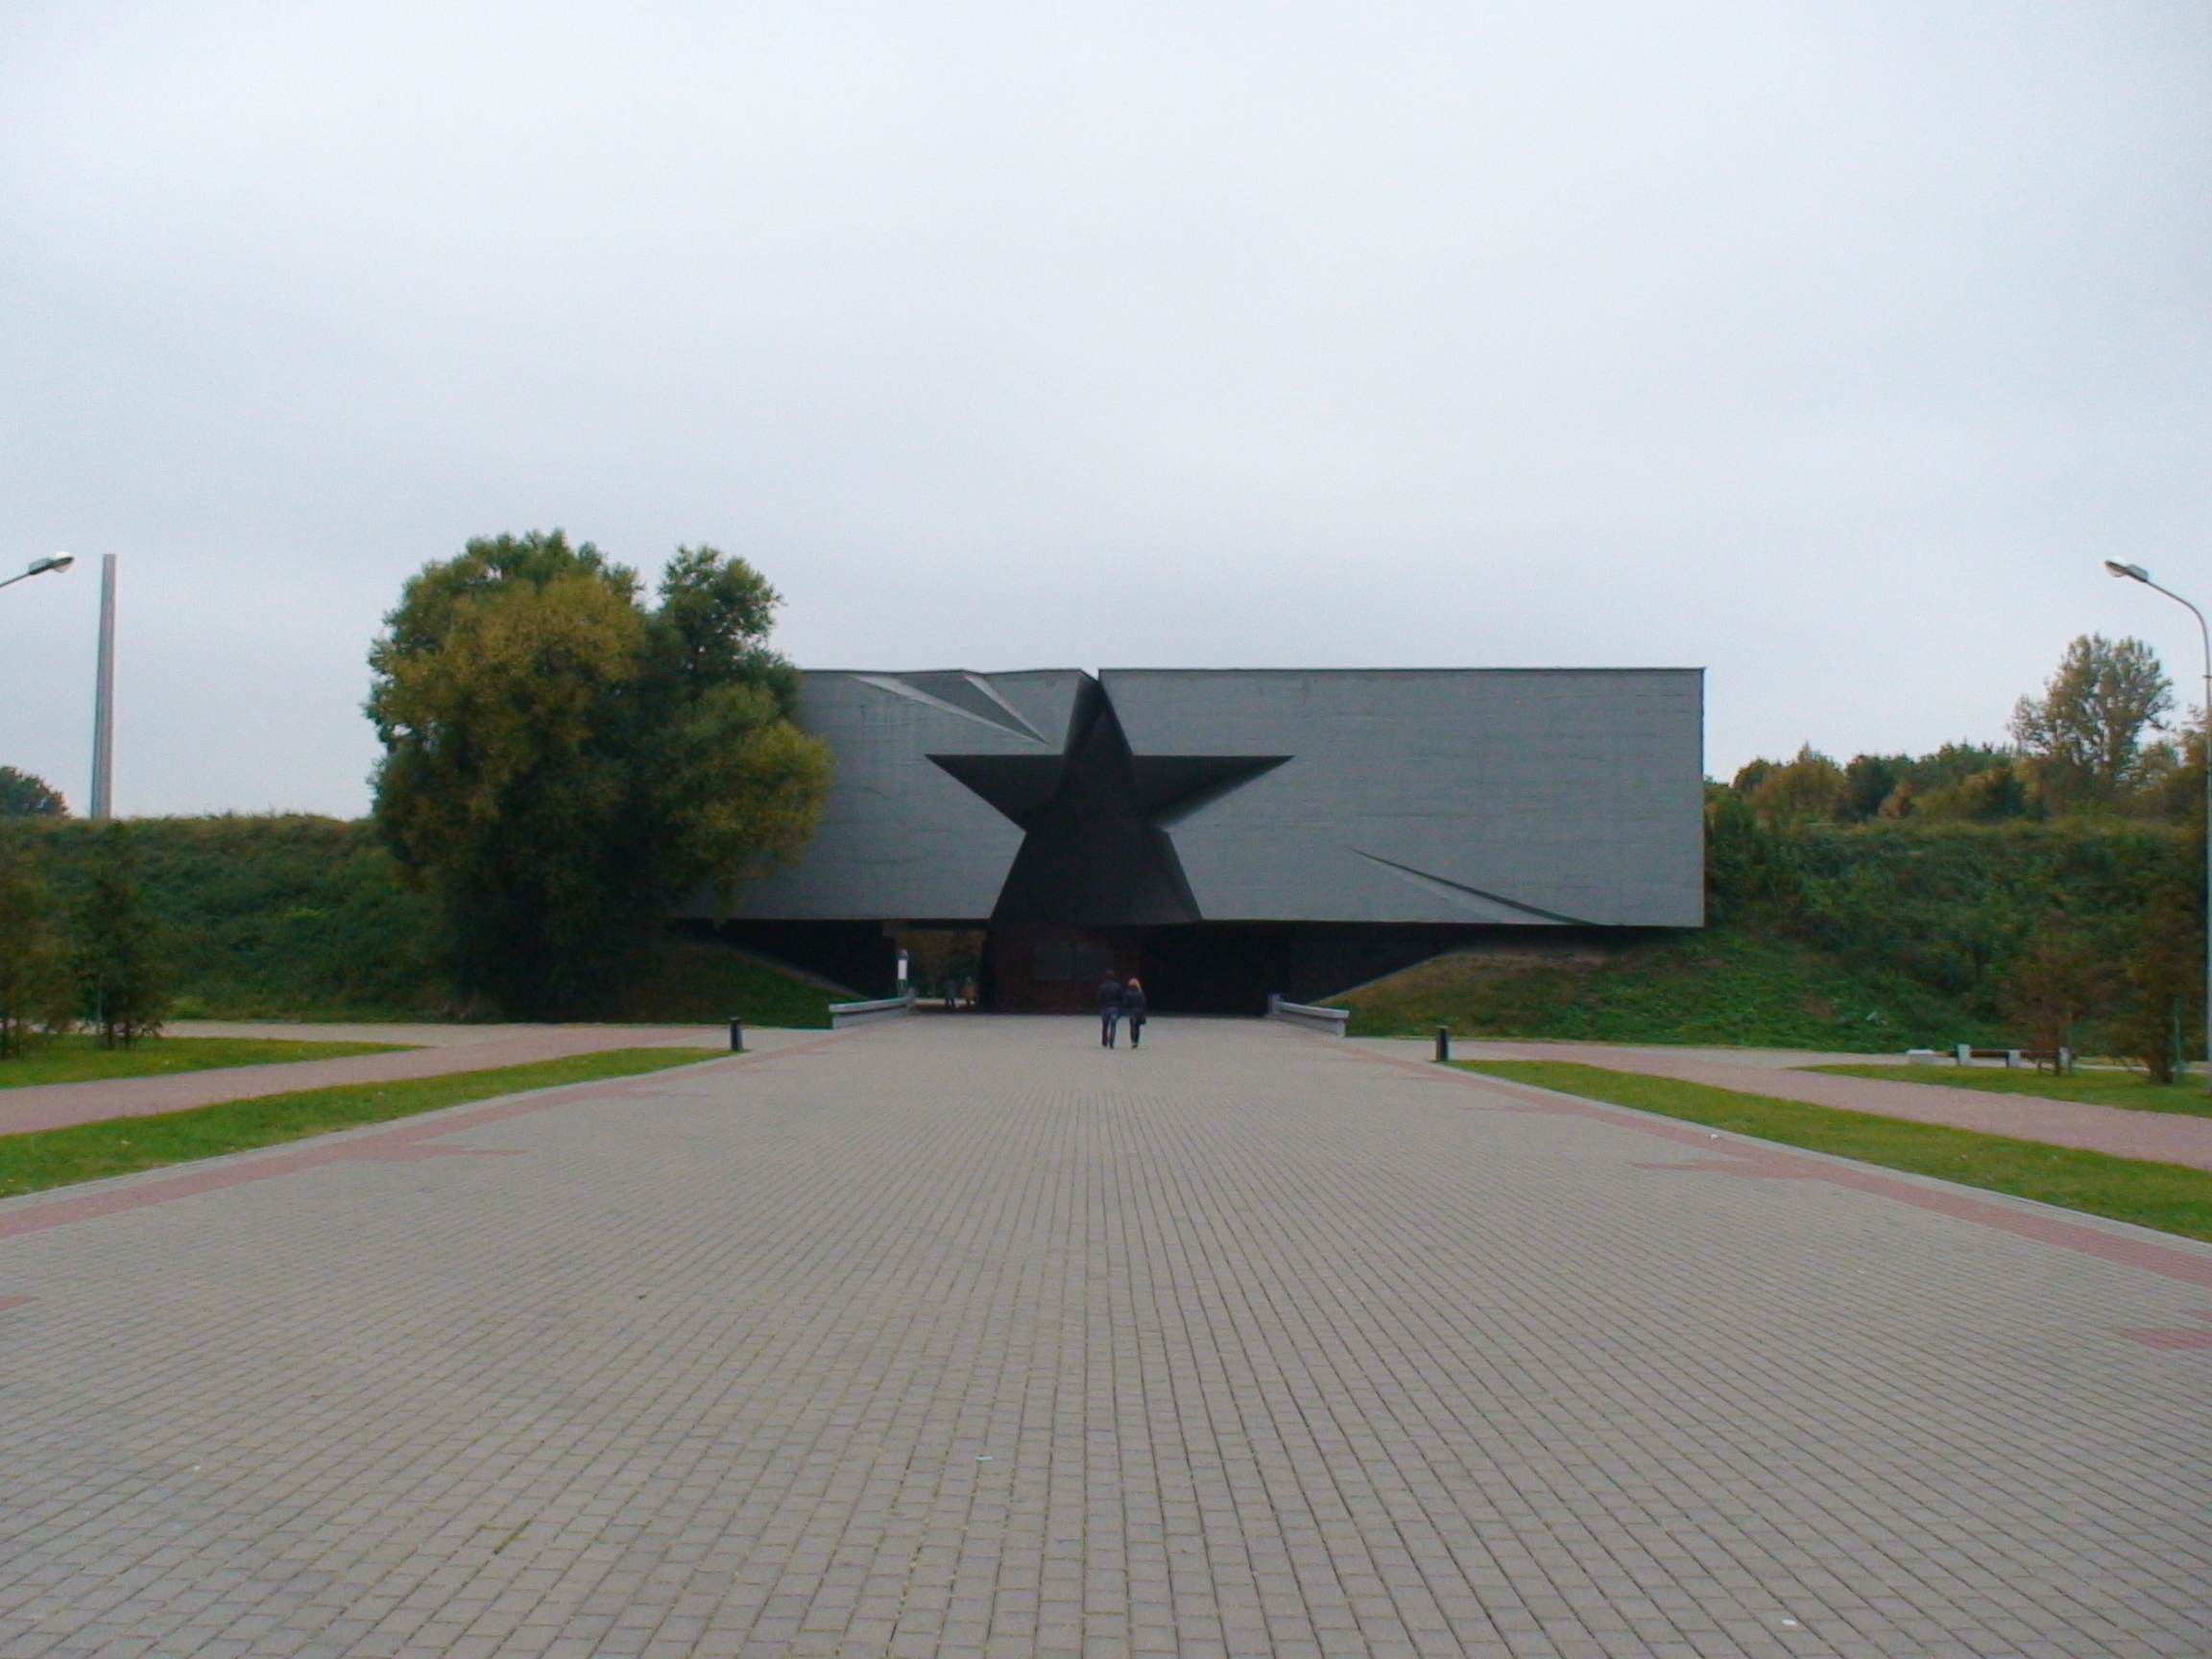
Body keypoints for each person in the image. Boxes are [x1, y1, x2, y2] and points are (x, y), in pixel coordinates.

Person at [1096, 971, 1123, 1047]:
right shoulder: (1117, 986)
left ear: (1106, 977)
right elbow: (1121, 998)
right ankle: (1112, 1042)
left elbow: (1099, 998)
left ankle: (1104, 1041)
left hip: (1105, 1008)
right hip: (1114, 1008)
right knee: (1113, 1025)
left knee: (1105, 1025)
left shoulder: (1102, 986)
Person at [1122, 976, 1148, 1048]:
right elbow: (1144, 1003)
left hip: (1132, 1011)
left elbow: (1126, 1003)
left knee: (1132, 1026)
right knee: (1137, 1027)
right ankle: (1136, 1041)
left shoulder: (1128, 993)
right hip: (1139, 1011)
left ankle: (1133, 1041)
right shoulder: (1140, 993)